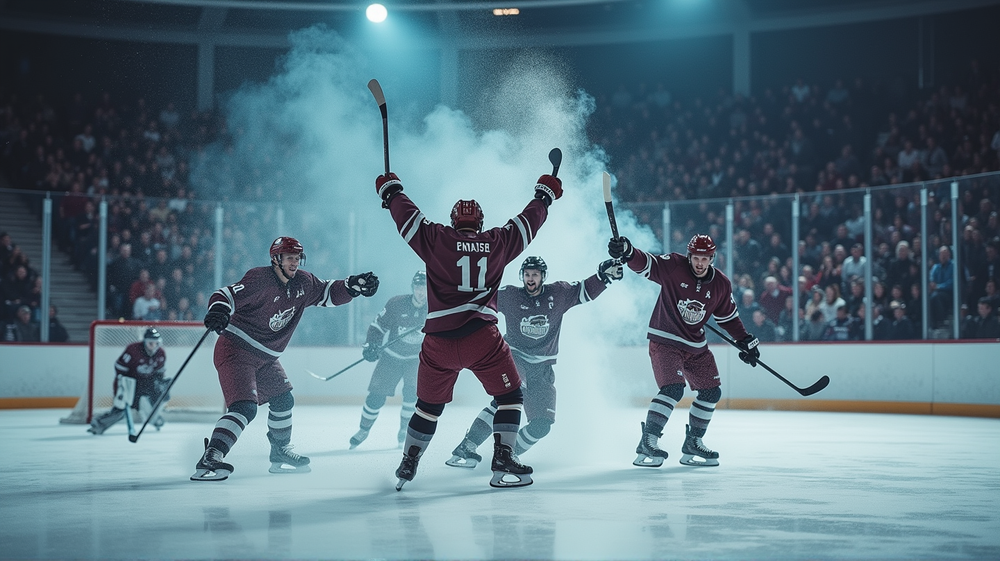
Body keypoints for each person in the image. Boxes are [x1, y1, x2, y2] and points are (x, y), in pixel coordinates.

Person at [374, 164, 561, 490]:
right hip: (481, 339)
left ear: (453, 221)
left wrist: (392, 193)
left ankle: (409, 461)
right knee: (511, 396)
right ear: (480, 223)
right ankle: (503, 455)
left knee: (428, 408)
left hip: (438, 343)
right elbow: (527, 223)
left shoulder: (436, 238)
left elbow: (408, 218)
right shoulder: (497, 241)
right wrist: (544, 195)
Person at [191, 236, 379, 482]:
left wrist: (353, 286)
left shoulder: (303, 281)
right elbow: (225, 294)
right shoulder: (259, 279)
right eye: (289, 257)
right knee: (245, 407)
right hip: (236, 350)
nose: (295, 262)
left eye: (298, 257)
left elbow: (328, 292)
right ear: (276, 259)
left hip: (266, 358)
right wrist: (219, 309)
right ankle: (212, 455)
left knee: (283, 400)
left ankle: (279, 452)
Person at [445, 254, 623, 468]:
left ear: (543, 277)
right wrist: (454, 313)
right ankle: (468, 444)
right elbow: (480, 302)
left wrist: (604, 277)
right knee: (509, 397)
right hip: (513, 358)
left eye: (535, 275)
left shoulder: (559, 294)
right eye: (527, 275)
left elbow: (584, 290)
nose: (530, 279)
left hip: (543, 368)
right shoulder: (510, 295)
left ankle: (510, 453)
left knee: (542, 425)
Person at [608, 234, 760, 468]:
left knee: (711, 392)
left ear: (712, 258)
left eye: (705, 258)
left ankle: (693, 442)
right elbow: (646, 263)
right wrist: (628, 252)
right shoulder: (674, 266)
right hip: (665, 340)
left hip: (695, 346)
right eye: (696, 258)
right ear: (689, 256)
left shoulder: (721, 284)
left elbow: (728, 317)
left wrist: (745, 340)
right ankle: (648, 440)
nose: (699, 263)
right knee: (672, 389)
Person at [349, 270, 428, 449]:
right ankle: (363, 430)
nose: (421, 292)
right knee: (375, 397)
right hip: (391, 357)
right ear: (412, 288)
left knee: (412, 394)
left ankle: (404, 430)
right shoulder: (396, 304)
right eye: (418, 287)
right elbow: (378, 326)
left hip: (416, 360)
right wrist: (371, 345)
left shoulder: (434, 310)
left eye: (424, 287)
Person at [87, 328, 169, 435]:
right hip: (129, 382)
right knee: (122, 408)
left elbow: (159, 373)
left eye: (156, 343)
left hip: (147, 383)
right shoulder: (133, 350)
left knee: (162, 395)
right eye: (150, 343)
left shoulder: (161, 353)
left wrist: (161, 384)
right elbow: (119, 367)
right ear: (144, 341)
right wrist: (123, 385)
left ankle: (154, 418)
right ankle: (99, 424)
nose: (154, 346)